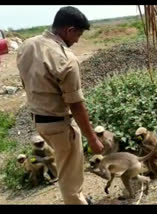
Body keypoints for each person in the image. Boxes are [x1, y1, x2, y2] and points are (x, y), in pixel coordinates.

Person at [17, 6, 104, 204]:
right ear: (69, 30)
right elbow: (75, 104)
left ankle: (79, 197)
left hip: (39, 121)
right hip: (60, 125)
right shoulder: (66, 59)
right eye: (78, 35)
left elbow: (25, 82)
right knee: (69, 176)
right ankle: (76, 200)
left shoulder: (26, 46)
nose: (77, 40)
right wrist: (92, 138)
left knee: (66, 165)